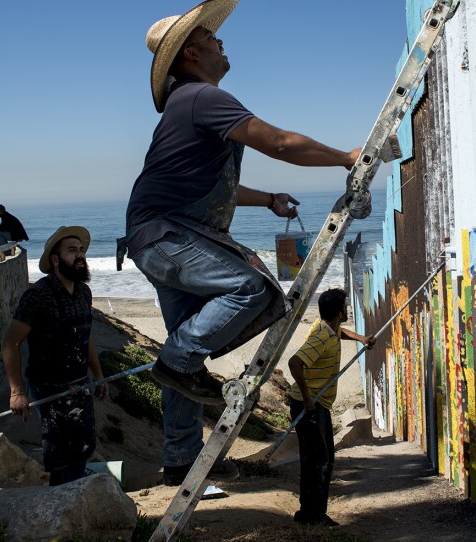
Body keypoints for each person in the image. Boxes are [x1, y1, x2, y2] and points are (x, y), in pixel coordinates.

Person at [124, 0, 362, 486]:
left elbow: (210, 187)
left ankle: (181, 460)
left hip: (162, 237)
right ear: (191, 52)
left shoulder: (188, 104)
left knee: (180, 359)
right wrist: (345, 156)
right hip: (170, 236)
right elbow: (277, 142)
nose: (220, 41)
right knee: (253, 288)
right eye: (211, 38)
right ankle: (178, 361)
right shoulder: (202, 98)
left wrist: (269, 198)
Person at [1, 226, 107, 486]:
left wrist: (98, 374)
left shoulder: (84, 292)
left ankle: (75, 495)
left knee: (83, 446)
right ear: (55, 259)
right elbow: (10, 343)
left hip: (80, 383)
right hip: (49, 388)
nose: (80, 255)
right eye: (72, 250)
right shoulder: (38, 296)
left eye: (81, 250)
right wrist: (17, 392)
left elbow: (86, 335)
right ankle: (63, 500)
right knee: (60, 453)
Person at [287, 288, 374, 526]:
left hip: (319, 404)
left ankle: (315, 514)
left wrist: (361, 339)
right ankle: (309, 515)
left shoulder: (327, 327)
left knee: (325, 459)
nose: (347, 310)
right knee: (316, 460)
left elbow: (339, 333)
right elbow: (295, 363)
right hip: (309, 406)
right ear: (339, 312)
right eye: (345, 307)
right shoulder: (321, 336)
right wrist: (306, 399)